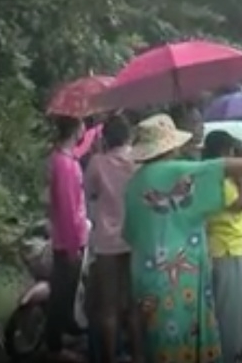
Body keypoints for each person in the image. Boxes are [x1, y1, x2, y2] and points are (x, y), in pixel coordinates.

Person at [123, 115, 242, 363]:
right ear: (170, 146)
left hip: (146, 272)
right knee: (182, 330)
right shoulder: (174, 170)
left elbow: (130, 233)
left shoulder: (133, 183)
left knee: (158, 335)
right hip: (178, 274)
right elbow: (216, 167)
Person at [85, 118, 142, 363]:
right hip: (134, 238)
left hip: (106, 241)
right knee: (134, 304)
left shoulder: (97, 163)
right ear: (128, 137)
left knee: (108, 307)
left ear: (105, 138)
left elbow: (89, 193)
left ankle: (110, 357)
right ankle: (139, 355)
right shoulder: (138, 161)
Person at [46, 115, 102, 363]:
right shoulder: (67, 166)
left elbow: (81, 148)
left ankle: (60, 338)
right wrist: (72, 248)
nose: (84, 128)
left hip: (66, 236)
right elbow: (69, 209)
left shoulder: (61, 157)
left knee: (65, 292)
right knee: (62, 294)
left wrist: (98, 129)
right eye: (83, 125)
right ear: (75, 128)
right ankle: (55, 348)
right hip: (69, 240)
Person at [201, 130, 242, 363]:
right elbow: (238, 205)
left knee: (238, 311)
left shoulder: (224, 175)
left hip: (235, 246)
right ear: (224, 151)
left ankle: (232, 352)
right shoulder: (216, 176)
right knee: (228, 313)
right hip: (224, 247)